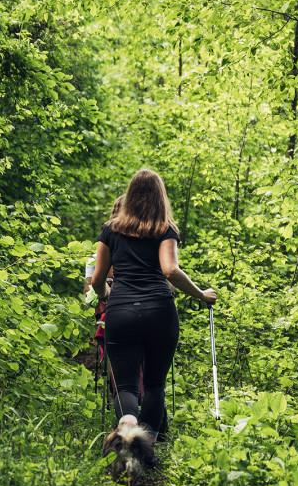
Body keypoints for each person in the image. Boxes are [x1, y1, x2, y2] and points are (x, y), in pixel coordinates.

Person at [91, 169, 217, 450]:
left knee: (125, 386)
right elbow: (170, 270)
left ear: (131, 195)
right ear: (161, 198)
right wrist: (200, 295)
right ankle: (146, 449)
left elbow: (98, 280)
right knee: (155, 384)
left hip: (121, 311)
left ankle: (127, 425)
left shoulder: (110, 230)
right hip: (159, 311)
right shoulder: (165, 229)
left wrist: (106, 294)